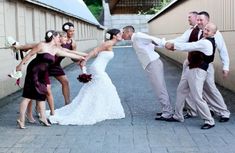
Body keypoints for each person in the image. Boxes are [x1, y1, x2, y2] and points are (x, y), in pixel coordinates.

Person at [47, 28, 125, 125]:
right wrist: (84, 61)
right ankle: (92, 109)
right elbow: (95, 51)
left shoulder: (110, 43)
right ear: (114, 36)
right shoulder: (108, 43)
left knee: (99, 88)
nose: (121, 35)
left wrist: (84, 58)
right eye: (119, 34)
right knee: (105, 85)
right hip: (98, 69)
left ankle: (98, 107)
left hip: (100, 68)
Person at [167, 11, 230, 122]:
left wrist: (226, 66)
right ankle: (192, 111)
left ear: (207, 21)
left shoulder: (215, 33)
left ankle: (223, 112)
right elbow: (181, 40)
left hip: (205, 65)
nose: (199, 22)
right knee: (188, 88)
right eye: (198, 20)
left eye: (202, 20)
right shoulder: (192, 30)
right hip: (191, 63)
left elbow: (222, 50)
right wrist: (165, 43)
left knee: (210, 89)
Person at [16, 30, 85, 129]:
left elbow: (70, 54)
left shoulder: (56, 49)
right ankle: (21, 119)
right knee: (28, 96)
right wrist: (20, 65)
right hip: (34, 71)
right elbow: (29, 54)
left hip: (43, 73)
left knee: (42, 94)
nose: (59, 39)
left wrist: (83, 57)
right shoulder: (42, 45)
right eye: (58, 37)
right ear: (53, 37)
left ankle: (43, 118)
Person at [165, 22, 217, 129]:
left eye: (208, 30)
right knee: (181, 90)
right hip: (190, 68)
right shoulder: (203, 39)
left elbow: (190, 46)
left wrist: (173, 45)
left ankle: (209, 121)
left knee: (197, 96)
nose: (205, 31)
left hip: (198, 71)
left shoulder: (206, 43)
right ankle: (178, 116)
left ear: (213, 33)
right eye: (205, 29)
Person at [122, 26, 173, 120]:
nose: (122, 35)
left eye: (123, 32)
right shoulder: (136, 39)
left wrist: (165, 44)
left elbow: (152, 39)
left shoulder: (138, 36)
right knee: (160, 88)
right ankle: (166, 110)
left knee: (160, 88)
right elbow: (151, 43)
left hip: (153, 64)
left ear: (129, 32)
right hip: (152, 64)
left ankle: (167, 113)